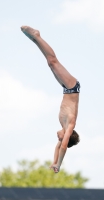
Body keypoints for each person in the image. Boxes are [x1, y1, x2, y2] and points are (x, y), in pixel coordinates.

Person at [21, 26, 80, 173]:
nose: (58, 138)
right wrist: (59, 164)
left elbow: (58, 146)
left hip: (66, 88)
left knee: (50, 63)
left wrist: (54, 163)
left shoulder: (64, 127)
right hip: (72, 87)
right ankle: (37, 36)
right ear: (67, 136)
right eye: (61, 138)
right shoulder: (70, 125)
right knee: (53, 61)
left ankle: (35, 40)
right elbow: (63, 146)